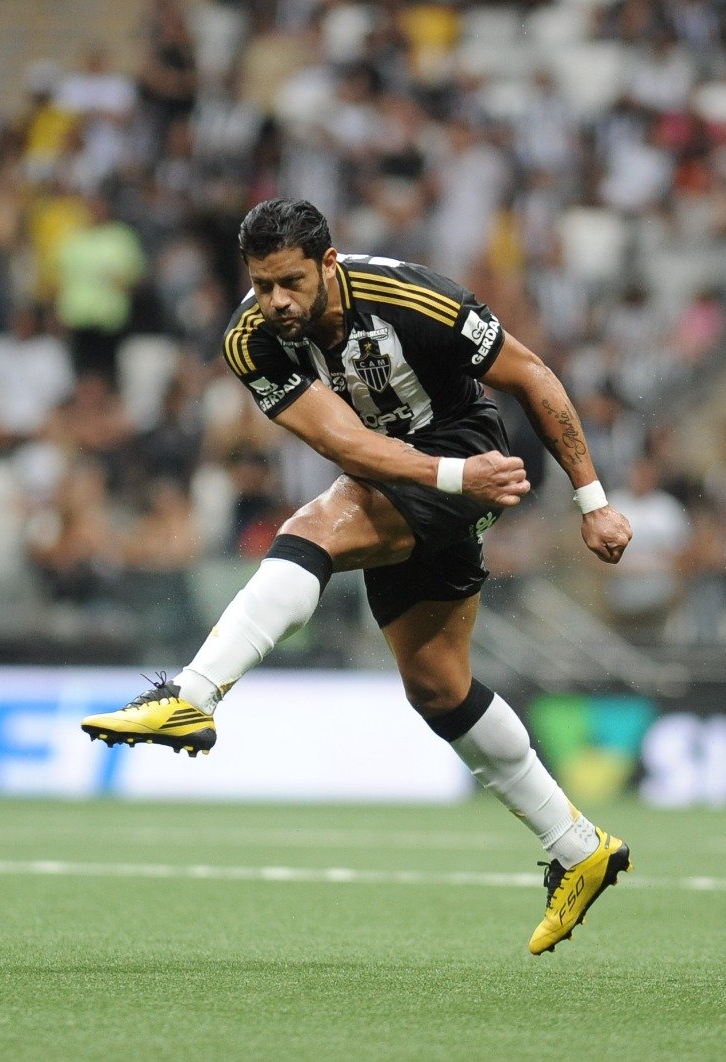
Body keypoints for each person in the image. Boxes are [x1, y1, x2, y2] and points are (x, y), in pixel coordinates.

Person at [80, 198, 634, 954]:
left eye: (291, 282)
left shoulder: (415, 300)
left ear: (327, 265)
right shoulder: (250, 341)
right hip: (423, 472)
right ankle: (579, 848)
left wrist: (592, 501)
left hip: (466, 447)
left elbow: (533, 375)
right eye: (261, 283)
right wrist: (450, 478)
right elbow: (348, 444)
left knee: (313, 528)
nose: (276, 301)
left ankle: (191, 695)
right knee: (437, 685)